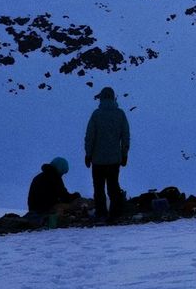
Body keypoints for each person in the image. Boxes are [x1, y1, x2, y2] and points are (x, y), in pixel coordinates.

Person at [85, 86, 130, 221]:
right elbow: (125, 135)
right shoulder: (120, 114)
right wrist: (124, 154)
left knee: (99, 188)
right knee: (113, 186)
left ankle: (101, 213)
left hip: (97, 160)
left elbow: (90, 136)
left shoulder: (96, 114)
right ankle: (115, 214)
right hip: (114, 159)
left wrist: (88, 154)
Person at [27, 156, 79, 224]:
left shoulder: (40, 176)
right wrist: (75, 196)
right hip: (45, 209)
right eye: (63, 173)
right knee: (74, 205)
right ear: (60, 169)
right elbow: (64, 196)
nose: (62, 175)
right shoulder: (54, 177)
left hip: (34, 209)